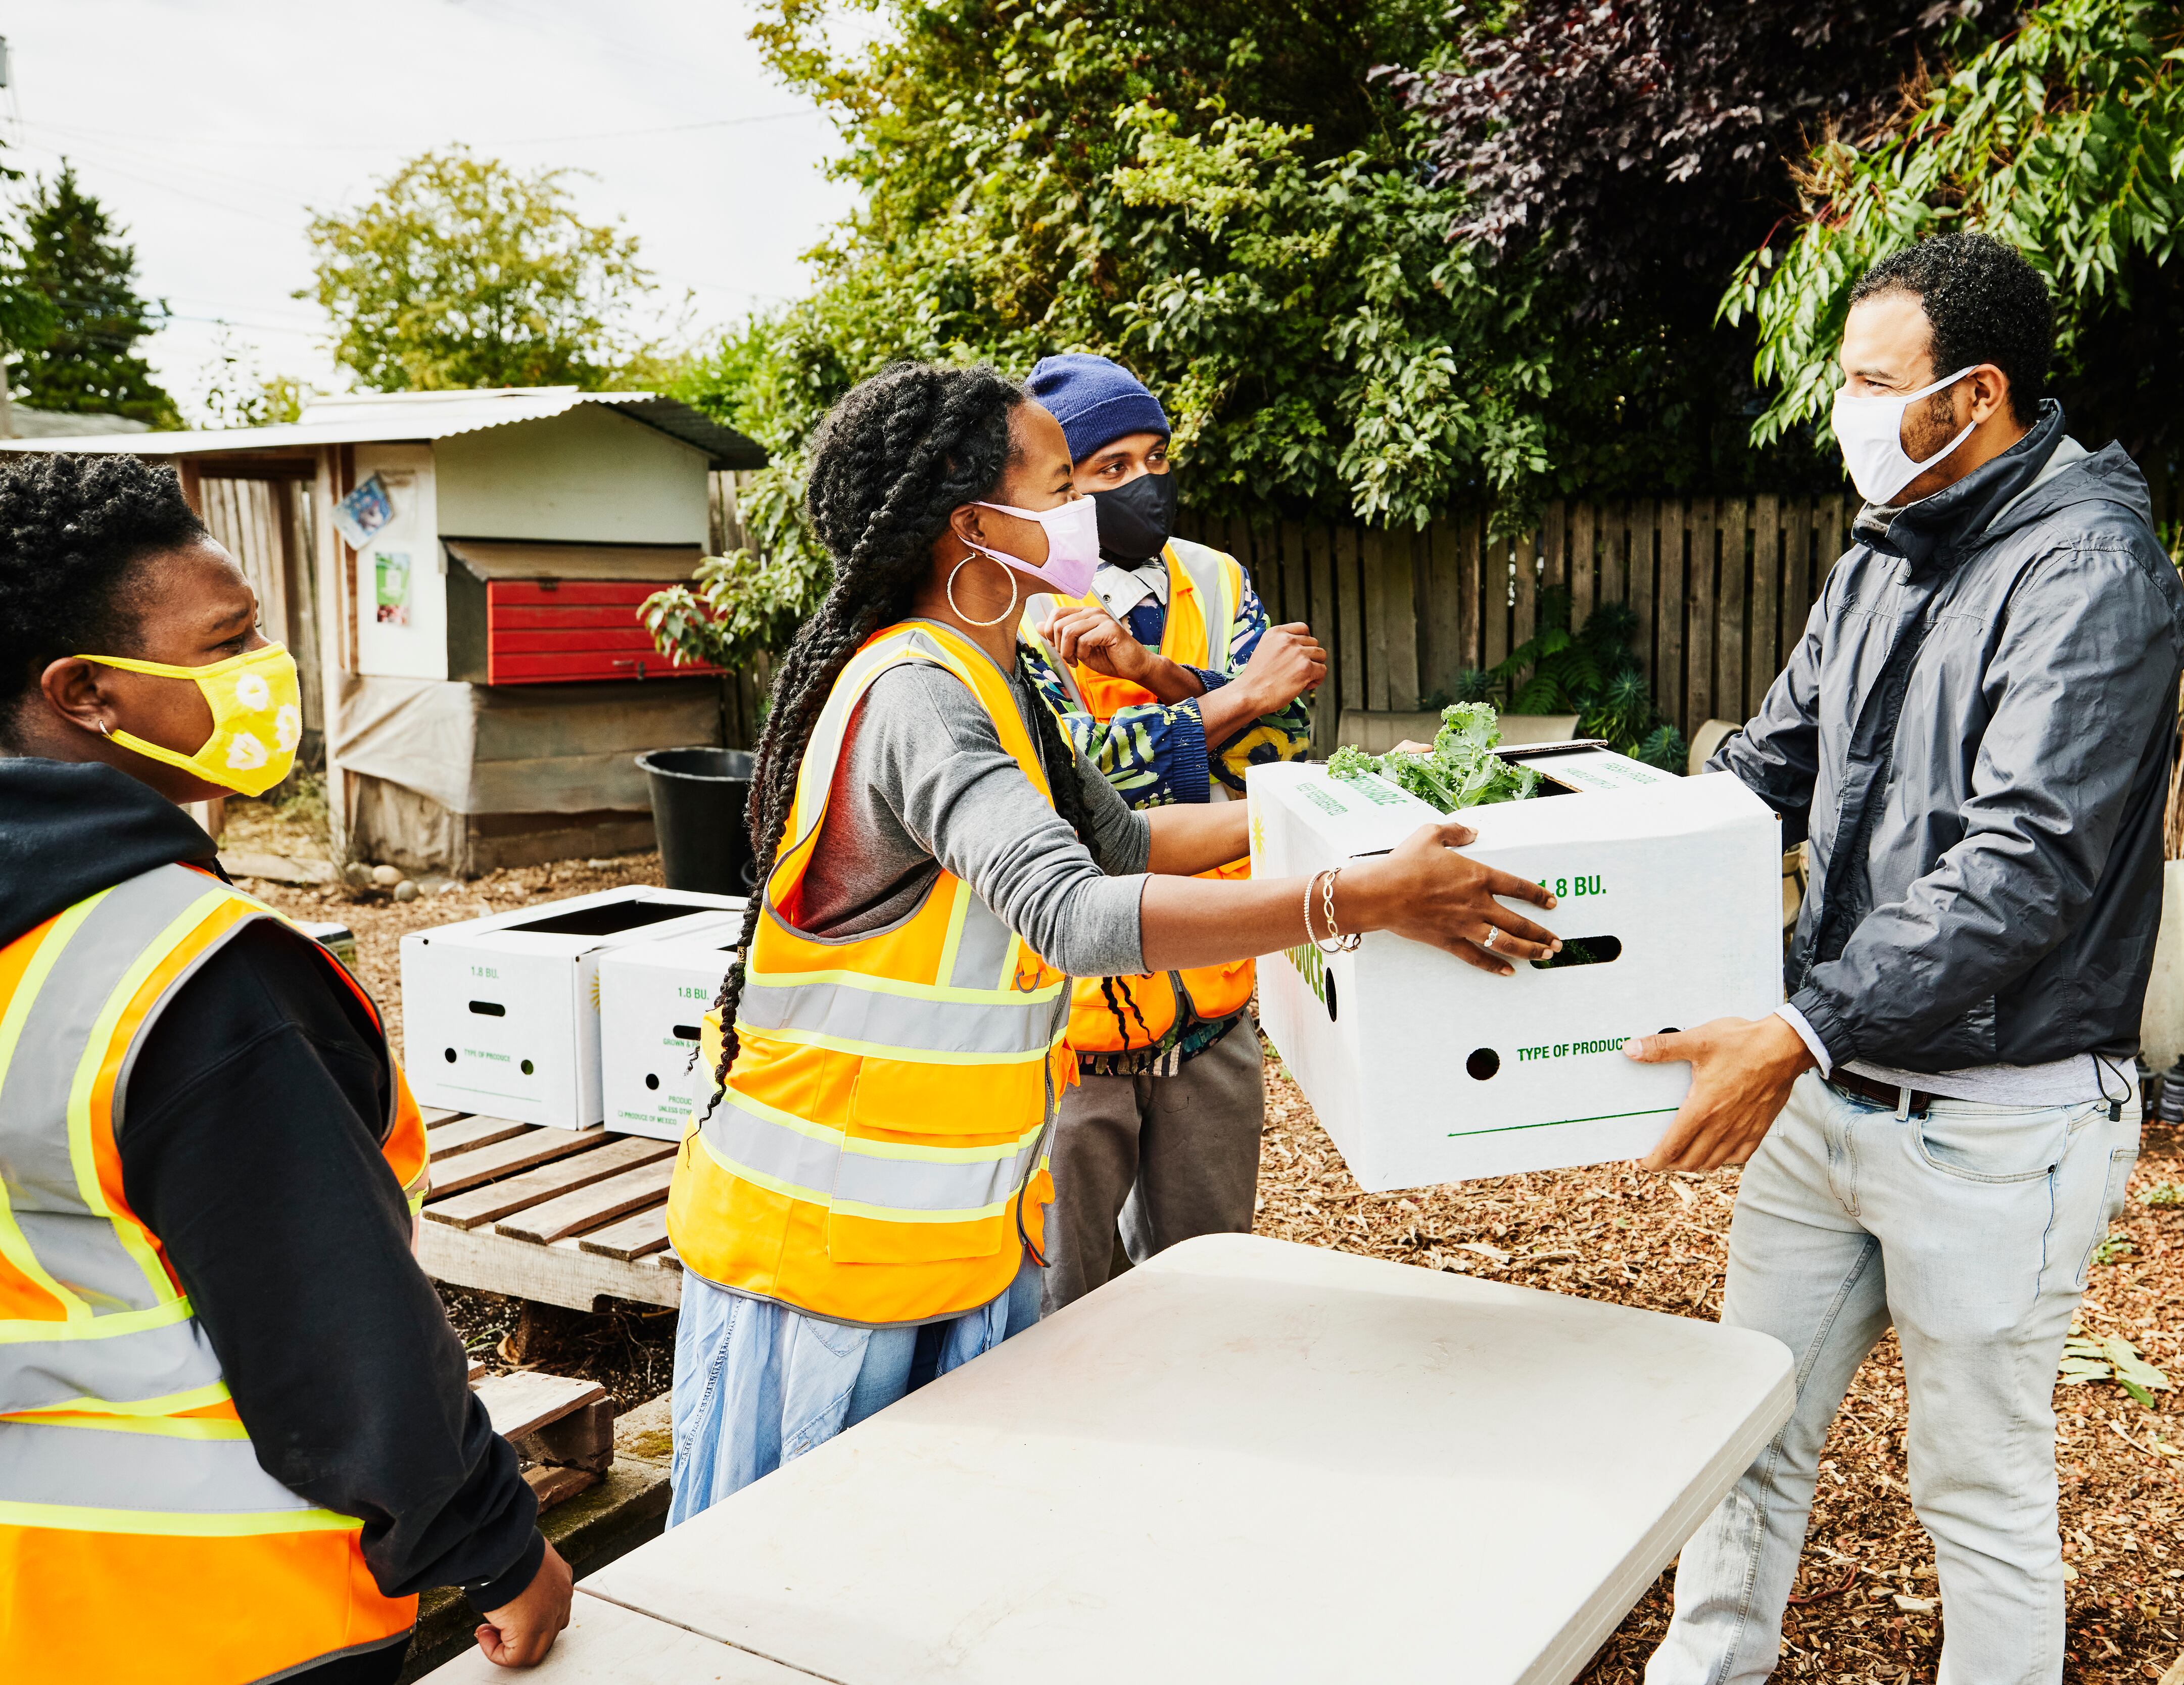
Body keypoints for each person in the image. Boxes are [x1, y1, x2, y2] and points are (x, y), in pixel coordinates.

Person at [662, 361, 1560, 1521]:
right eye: (1059, 483)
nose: (1091, 514)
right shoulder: (914, 693)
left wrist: (1343, 812)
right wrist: (1359, 899)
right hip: (819, 1264)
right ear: (975, 526)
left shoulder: (994, 679)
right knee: (784, 1576)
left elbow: (1127, 842)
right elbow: (1076, 912)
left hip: (946, 1242)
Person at [1630, 234, 2184, 1685]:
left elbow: (2027, 862)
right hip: (1825, 1098)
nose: (1847, 409)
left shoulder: (2093, 572)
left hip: (1997, 1129)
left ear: (1975, 392)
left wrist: (1800, 1026)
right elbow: (1763, 769)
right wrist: (1573, 851)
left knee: (1979, 1494)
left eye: (1876, 383)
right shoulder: (1889, 541)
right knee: (1737, 1446)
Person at [0, 455, 572, 1683]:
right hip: (218, 1606)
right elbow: (333, 1325)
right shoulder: (185, 972)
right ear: (87, 691)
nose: (271, 666)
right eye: (231, 639)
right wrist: (499, 1546)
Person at [1012, 352, 1323, 1311]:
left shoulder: (1214, 577)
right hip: (1075, 1029)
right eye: (1109, 469)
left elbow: (1284, 747)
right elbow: (1086, 789)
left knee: (1215, 1287)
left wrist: (1158, 676)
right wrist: (1236, 695)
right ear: (1062, 493)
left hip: (1213, 1005)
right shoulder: (1016, 606)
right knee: (1063, 1309)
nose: (1145, 481)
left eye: (1156, 455)